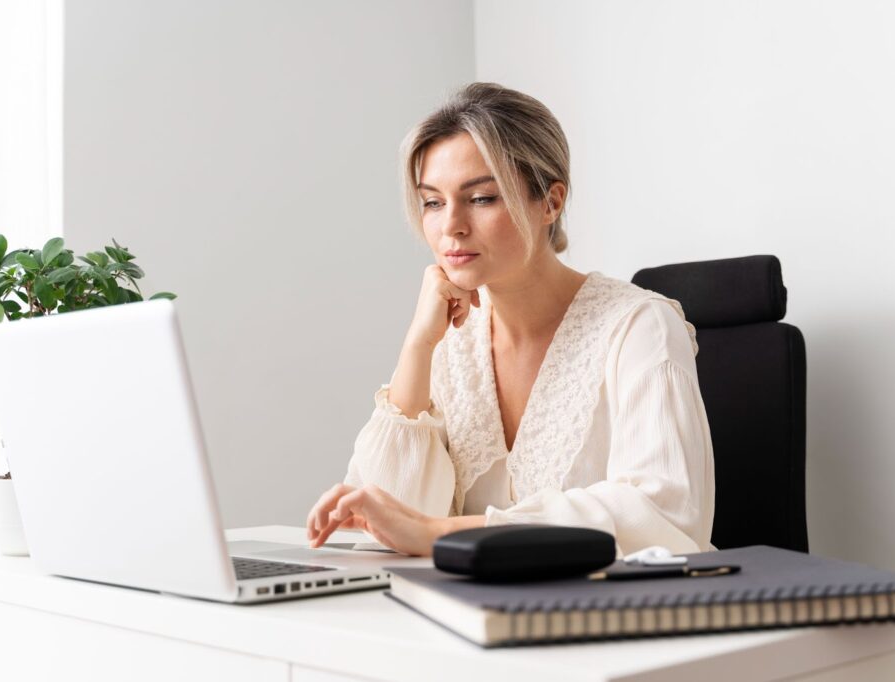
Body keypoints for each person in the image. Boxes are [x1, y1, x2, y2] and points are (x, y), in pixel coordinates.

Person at [305, 82, 715, 557]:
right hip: (466, 614)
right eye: (433, 202)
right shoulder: (449, 343)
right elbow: (384, 521)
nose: (451, 225)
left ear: (551, 202)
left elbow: (666, 514)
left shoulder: (639, 327)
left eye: (480, 198)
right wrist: (418, 346)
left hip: (614, 616)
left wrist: (444, 533)